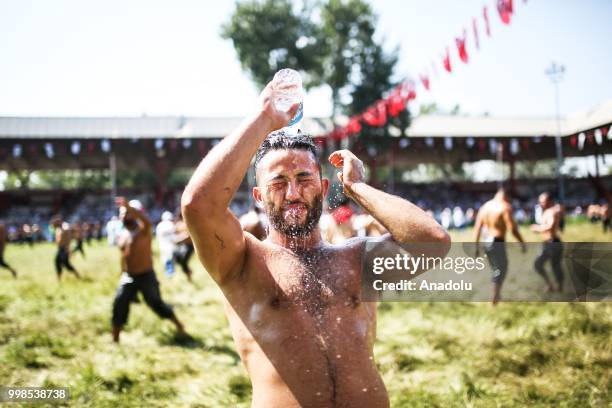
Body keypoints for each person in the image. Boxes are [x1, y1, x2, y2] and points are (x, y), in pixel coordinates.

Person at [181, 81, 450, 407]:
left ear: (323, 188)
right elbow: (199, 205)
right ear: (258, 197)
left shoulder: (357, 257)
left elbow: (433, 242)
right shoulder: (242, 262)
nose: (293, 193)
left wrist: (357, 188)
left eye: (304, 179)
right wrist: (264, 118)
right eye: (278, 182)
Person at [111, 198, 185, 343]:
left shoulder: (143, 230)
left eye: (126, 213)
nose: (123, 216)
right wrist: (122, 272)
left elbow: (147, 222)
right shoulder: (123, 235)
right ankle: (115, 340)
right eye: (121, 213)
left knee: (156, 304)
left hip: (146, 276)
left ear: (135, 214)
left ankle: (179, 325)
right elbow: (123, 257)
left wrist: (130, 208)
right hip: (128, 277)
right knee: (119, 304)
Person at [474, 188, 526, 305]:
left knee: (495, 269)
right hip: (497, 241)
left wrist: (476, 246)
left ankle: (497, 295)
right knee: (501, 269)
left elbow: (477, 228)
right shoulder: (505, 207)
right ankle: (494, 298)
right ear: (506, 196)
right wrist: (522, 243)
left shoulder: (485, 207)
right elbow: (512, 229)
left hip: (486, 242)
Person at [531, 192, 564, 292]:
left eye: (543, 201)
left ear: (549, 201)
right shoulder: (546, 211)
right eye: (540, 201)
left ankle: (559, 287)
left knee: (554, 266)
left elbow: (550, 226)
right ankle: (550, 285)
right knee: (539, 265)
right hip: (548, 243)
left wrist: (538, 228)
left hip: (553, 243)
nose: (541, 203)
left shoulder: (552, 212)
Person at [173, 213, 195, 282]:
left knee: (183, 260)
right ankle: (188, 272)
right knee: (178, 259)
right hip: (181, 246)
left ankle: (189, 274)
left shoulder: (187, 224)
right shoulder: (178, 225)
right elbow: (176, 234)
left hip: (189, 246)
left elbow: (189, 236)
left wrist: (180, 240)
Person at [156, 211, 177, 277]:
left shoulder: (159, 225)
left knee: (166, 259)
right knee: (170, 259)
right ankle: (170, 274)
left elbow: (158, 237)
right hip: (170, 245)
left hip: (162, 245)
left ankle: (169, 273)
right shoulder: (171, 224)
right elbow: (174, 236)